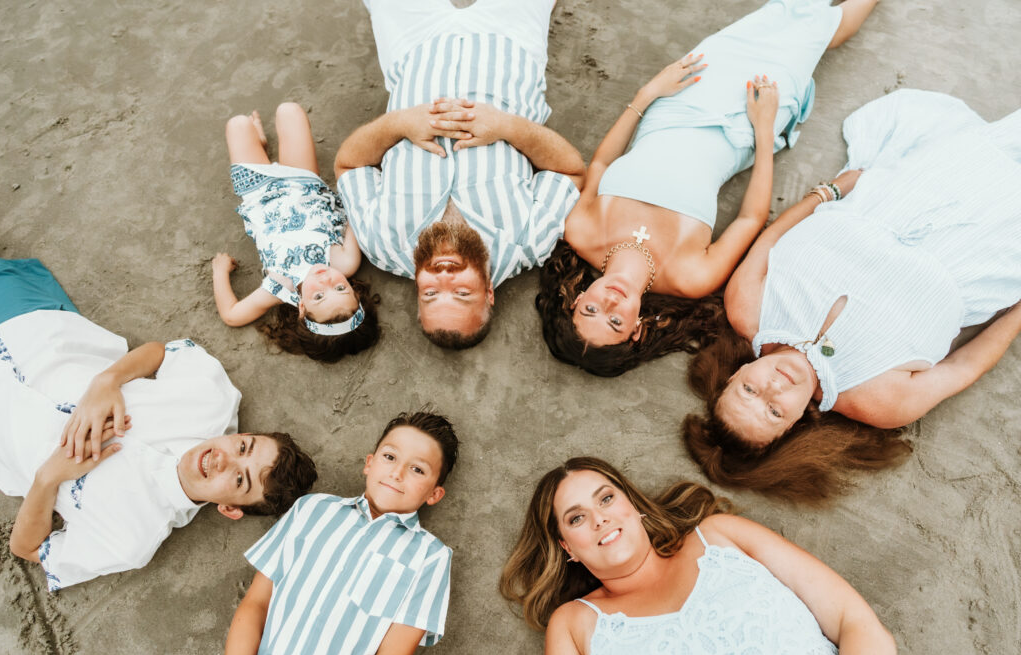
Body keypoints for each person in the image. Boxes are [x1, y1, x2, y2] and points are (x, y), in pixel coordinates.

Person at [683, 89, 1021, 501]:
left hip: (896, 196)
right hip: (983, 250)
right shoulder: (877, 404)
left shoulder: (746, 309)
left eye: (749, 391)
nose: (773, 388)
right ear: (795, 426)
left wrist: (829, 191)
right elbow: (964, 367)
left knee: (989, 147)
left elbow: (772, 236)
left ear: (735, 376)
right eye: (774, 411)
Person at [536, 0, 879, 376]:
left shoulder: (581, 231)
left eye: (591, 310)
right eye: (615, 322)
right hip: (743, 124)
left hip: (677, 98)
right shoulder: (690, 277)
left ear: (576, 300)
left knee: (783, 11)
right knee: (820, 28)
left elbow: (601, 164)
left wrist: (648, 92)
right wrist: (765, 130)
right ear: (636, 330)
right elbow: (749, 220)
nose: (610, 304)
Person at [0, 258, 318, 591]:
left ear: (230, 509)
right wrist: (107, 381)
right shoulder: (212, 402)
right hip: (34, 326)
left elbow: (27, 548)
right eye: (242, 447)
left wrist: (48, 478)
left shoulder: (131, 540)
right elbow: (163, 352)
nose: (224, 459)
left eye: (240, 479)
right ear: (245, 434)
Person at [499, 457, 897, 655]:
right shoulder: (575, 625)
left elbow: (855, 622)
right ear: (567, 548)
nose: (599, 518)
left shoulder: (721, 535)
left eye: (605, 499)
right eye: (576, 518)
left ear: (632, 505)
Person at [334, 0, 585, 350]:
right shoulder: (529, 240)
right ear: (489, 293)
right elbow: (570, 170)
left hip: (414, 51)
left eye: (430, 294)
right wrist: (506, 127)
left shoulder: (381, 242)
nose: (444, 277)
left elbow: (349, 165)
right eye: (462, 293)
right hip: (508, 49)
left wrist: (400, 123)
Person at [221, 411, 459, 655]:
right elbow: (256, 604)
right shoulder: (311, 509)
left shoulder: (431, 557)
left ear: (434, 494)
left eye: (417, 470)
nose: (397, 473)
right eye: (390, 457)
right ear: (369, 463)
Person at [214, 102, 379, 363]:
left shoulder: (279, 287)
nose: (326, 281)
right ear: (354, 292)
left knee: (238, 124)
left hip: (258, 191)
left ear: (302, 308)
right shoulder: (345, 261)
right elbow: (357, 214)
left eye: (319, 296)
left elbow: (232, 315)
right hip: (303, 180)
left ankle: (259, 146)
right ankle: (261, 147)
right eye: (340, 288)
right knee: (289, 111)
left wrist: (219, 272)